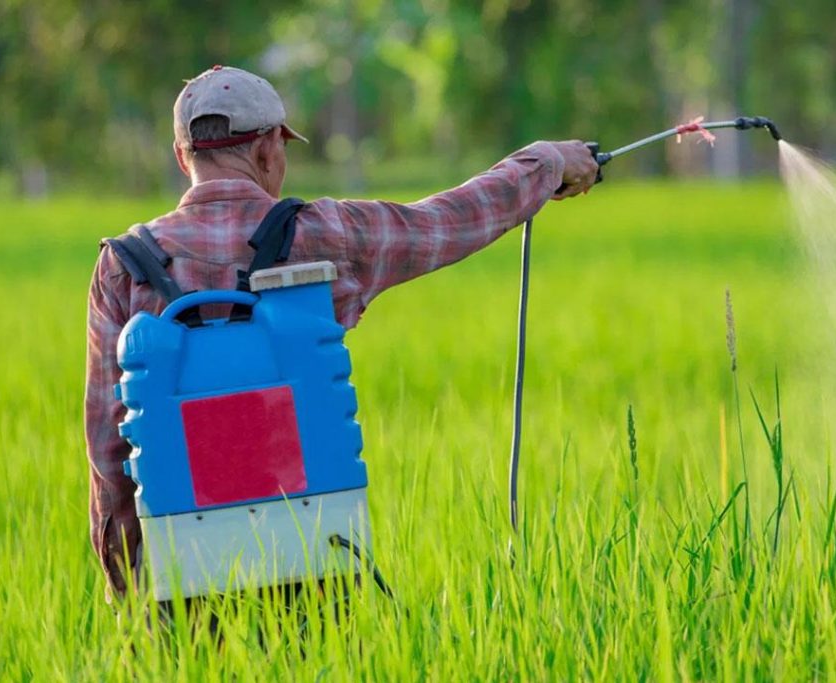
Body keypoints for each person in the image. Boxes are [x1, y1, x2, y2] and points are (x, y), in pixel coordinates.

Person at [84, 64, 599, 600]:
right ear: (267, 151)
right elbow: (449, 220)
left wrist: (131, 587)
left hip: (181, 570)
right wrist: (546, 163)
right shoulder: (325, 233)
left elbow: (108, 445)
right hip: (320, 561)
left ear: (181, 155)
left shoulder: (123, 266)